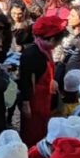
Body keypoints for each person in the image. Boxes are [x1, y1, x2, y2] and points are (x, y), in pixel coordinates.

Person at [18, 15, 67, 147]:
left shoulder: (45, 50)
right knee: (32, 134)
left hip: (45, 99)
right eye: (57, 41)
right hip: (34, 102)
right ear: (50, 39)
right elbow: (25, 80)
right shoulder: (32, 54)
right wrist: (26, 103)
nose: (58, 44)